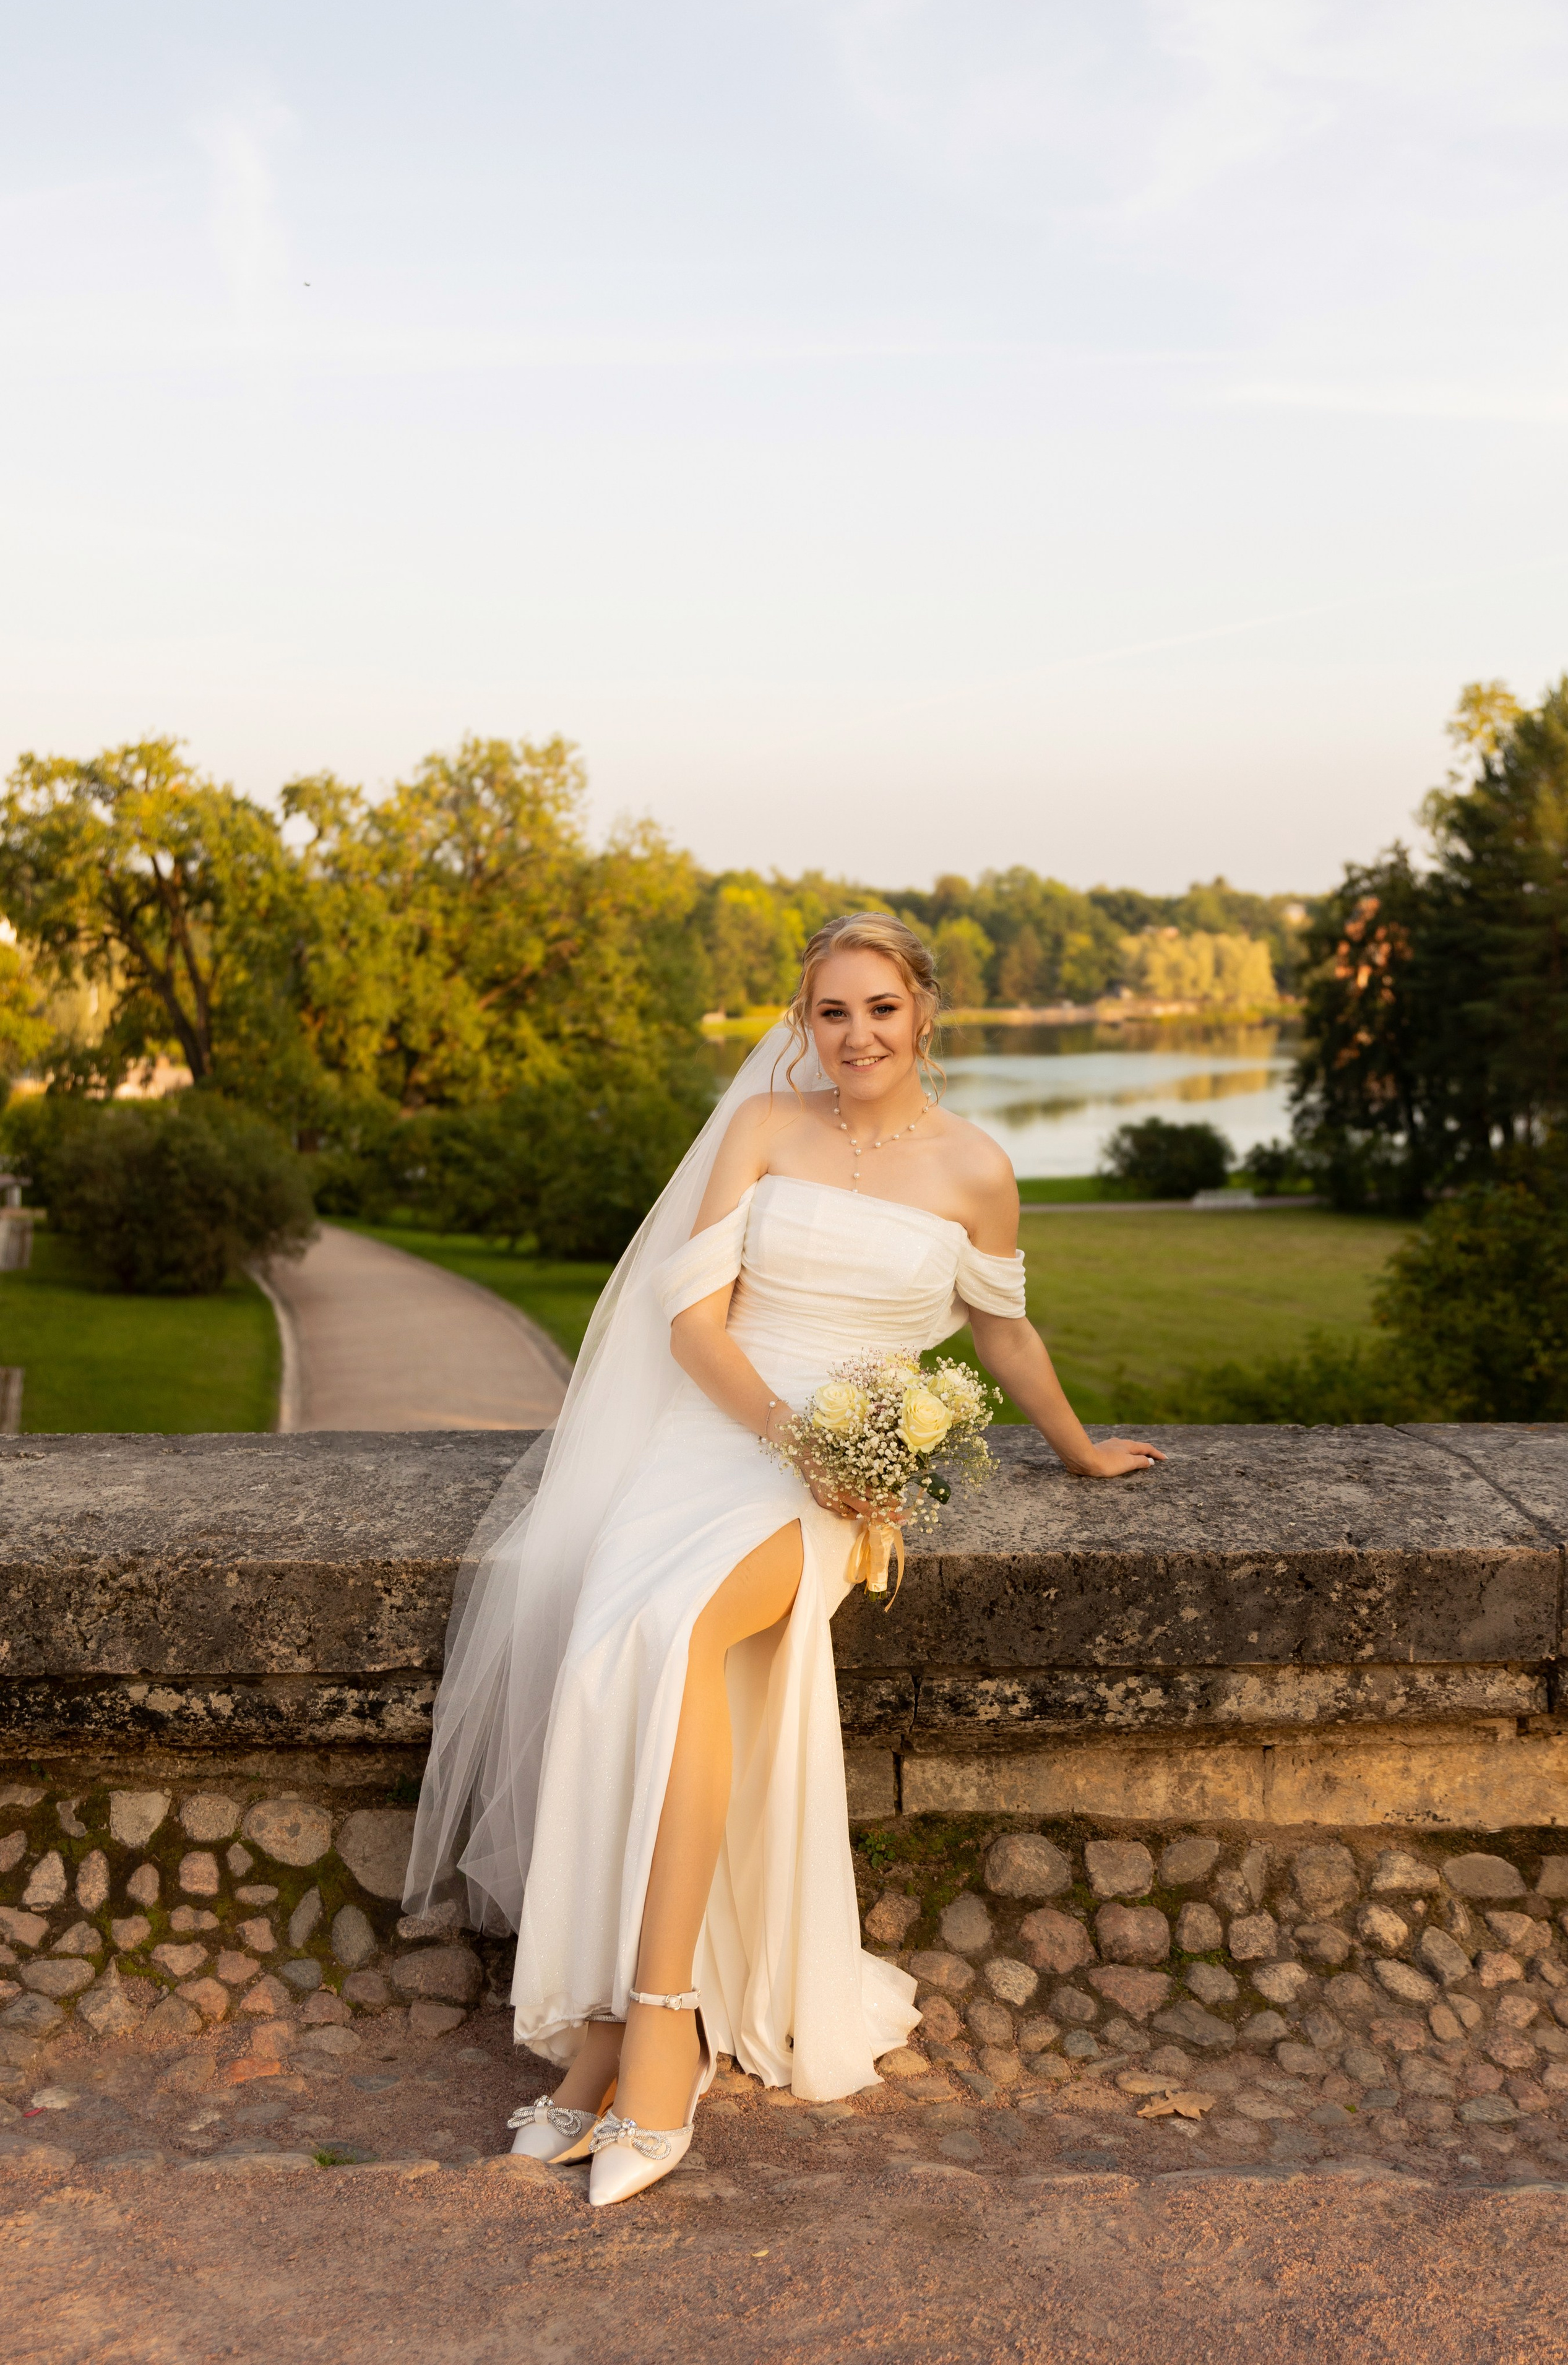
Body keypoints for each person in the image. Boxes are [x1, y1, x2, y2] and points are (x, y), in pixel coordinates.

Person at [403, 911, 1162, 2207]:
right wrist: (786, 1434)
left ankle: (655, 2025)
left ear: (924, 1012)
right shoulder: (761, 1126)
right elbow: (692, 1323)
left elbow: (1003, 1332)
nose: (857, 1035)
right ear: (803, 1021)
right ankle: (607, 2025)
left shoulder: (976, 1168)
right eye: (832, 1011)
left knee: (681, 1627)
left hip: (844, 1482)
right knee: (612, 1647)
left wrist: (1079, 1450)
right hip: (721, 1432)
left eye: (881, 1007)